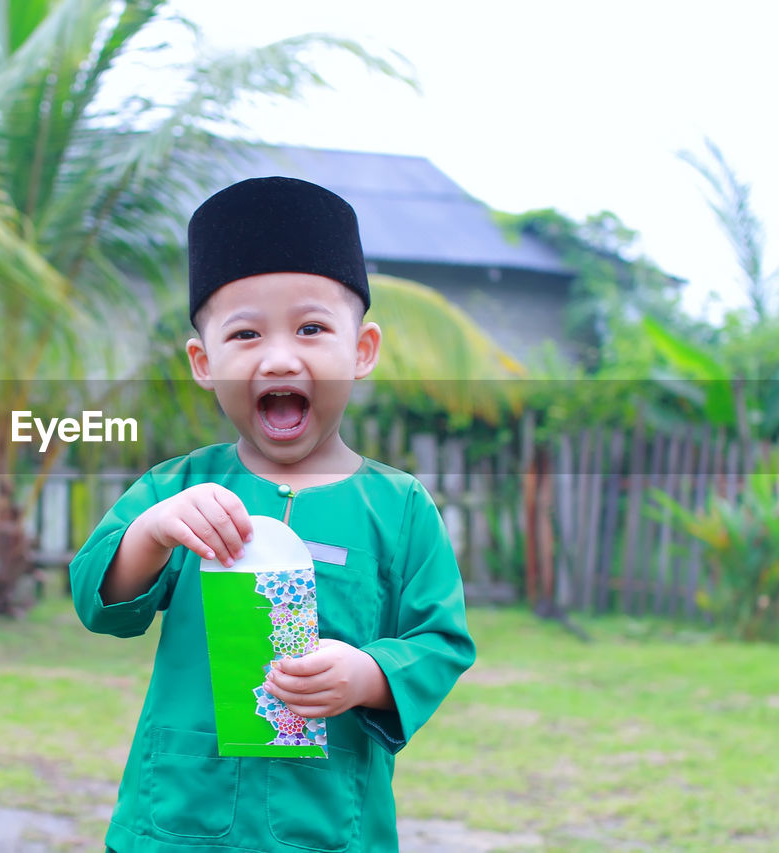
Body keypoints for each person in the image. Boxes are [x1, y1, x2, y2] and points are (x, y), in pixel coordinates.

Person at [70, 176, 476, 852]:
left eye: (312, 328)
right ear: (205, 362)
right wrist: (151, 531)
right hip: (179, 819)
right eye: (246, 333)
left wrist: (367, 674)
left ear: (362, 349)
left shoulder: (399, 508)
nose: (280, 355)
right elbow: (97, 597)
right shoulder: (179, 487)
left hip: (328, 825)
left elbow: (441, 640)